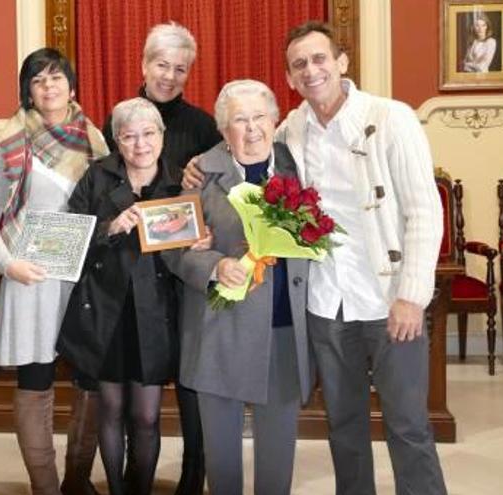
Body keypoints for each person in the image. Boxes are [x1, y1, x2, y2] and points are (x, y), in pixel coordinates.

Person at [280, 21, 447, 494]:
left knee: (409, 426)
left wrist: (412, 296)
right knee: (345, 428)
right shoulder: (292, 127)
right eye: (299, 65)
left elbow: (424, 211)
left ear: (341, 62)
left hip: (388, 298)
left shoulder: (392, 117)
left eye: (319, 59)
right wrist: (197, 170)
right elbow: (244, 151)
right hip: (327, 303)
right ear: (290, 78)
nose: (311, 71)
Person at [163, 80, 312, 495]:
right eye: (238, 121)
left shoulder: (296, 165)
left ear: (275, 120)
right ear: (223, 129)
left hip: (283, 327)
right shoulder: (201, 173)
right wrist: (214, 265)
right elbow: (173, 249)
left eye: (259, 118)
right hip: (219, 328)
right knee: (223, 456)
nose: (251, 130)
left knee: (278, 451)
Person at [0, 48, 108, 495]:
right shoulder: (14, 143)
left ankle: (77, 479)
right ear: (27, 91)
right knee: (36, 381)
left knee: (89, 379)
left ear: (72, 85)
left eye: (57, 77)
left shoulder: (96, 142)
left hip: (84, 279)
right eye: (38, 80)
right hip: (32, 278)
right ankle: (45, 485)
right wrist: (8, 264)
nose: (49, 86)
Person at [58, 97, 206, 495]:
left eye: (148, 134)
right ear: (116, 142)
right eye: (129, 137)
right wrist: (111, 226)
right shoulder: (97, 177)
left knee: (145, 416)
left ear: (162, 136)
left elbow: (195, 245)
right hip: (105, 311)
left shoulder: (179, 183)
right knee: (110, 410)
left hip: (156, 313)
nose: (140, 145)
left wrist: (200, 243)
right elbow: (68, 240)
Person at [101, 22, 222, 495]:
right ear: (144, 64)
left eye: (180, 68)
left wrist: (207, 229)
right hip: (127, 279)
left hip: (184, 276)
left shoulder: (202, 126)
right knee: (128, 392)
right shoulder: (116, 120)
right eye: (161, 65)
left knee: (190, 385)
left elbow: (217, 193)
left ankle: (193, 479)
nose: (169, 76)